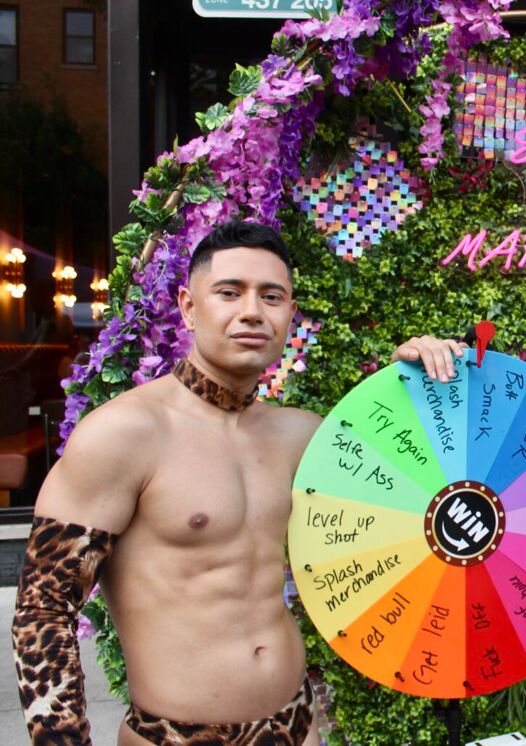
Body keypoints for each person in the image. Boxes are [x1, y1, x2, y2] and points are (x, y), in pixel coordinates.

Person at [11, 220, 324, 745]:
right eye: (229, 292)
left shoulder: (301, 434)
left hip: (298, 726)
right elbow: (44, 608)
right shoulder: (125, 433)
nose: (252, 311)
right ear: (188, 306)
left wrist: (424, 378)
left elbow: (411, 497)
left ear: (290, 315)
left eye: (272, 296)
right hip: (174, 736)